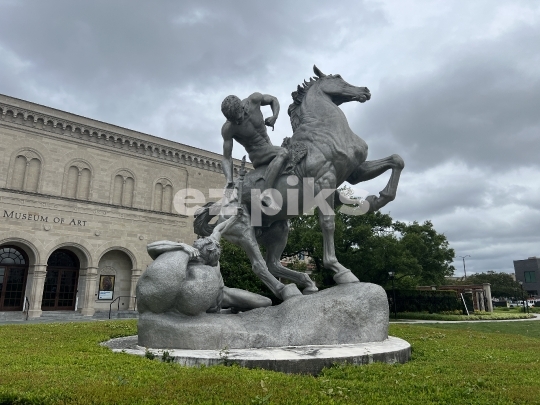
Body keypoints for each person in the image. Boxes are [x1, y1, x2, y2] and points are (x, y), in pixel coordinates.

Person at [139, 213, 271, 315]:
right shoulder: (187, 259)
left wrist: (235, 217)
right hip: (202, 301)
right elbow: (151, 247)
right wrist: (181, 246)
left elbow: (219, 229)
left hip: (222, 295)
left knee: (265, 302)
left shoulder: (211, 247)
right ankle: (224, 313)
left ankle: (230, 312)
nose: (216, 245)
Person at [221, 93, 288, 207]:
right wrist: (229, 180)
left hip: (269, 147)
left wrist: (274, 116)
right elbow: (227, 157)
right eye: (233, 121)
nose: (237, 123)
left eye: (238, 119)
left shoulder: (254, 100)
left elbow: (273, 100)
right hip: (256, 153)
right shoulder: (228, 128)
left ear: (242, 108)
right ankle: (266, 194)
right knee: (283, 152)